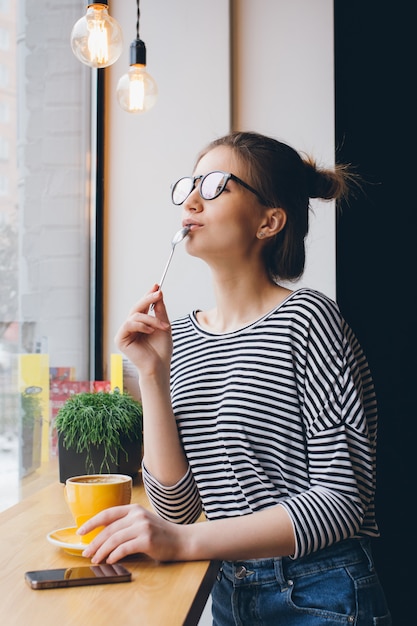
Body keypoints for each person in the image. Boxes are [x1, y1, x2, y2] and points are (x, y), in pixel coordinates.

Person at [78, 131, 391, 625]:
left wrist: (184, 542)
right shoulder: (177, 338)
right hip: (227, 592)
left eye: (219, 184)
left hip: (320, 592)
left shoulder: (310, 321)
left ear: (269, 221)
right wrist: (154, 375)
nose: (194, 198)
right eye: (192, 183)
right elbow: (176, 508)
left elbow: (342, 501)